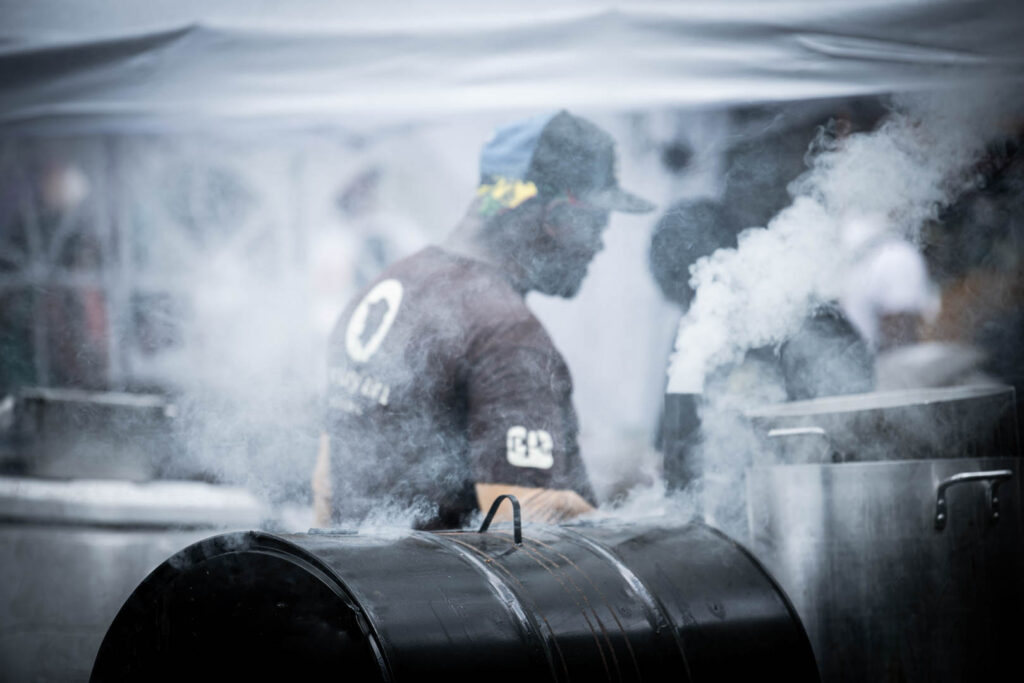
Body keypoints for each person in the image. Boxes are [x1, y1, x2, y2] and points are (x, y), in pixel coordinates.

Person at [314, 111, 655, 530]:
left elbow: (326, 484)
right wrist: (637, 534)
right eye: (599, 223)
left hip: (345, 570)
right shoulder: (507, 333)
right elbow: (527, 521)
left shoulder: (384, 288)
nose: (600, 245)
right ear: (557, 219)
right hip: (437, 576)